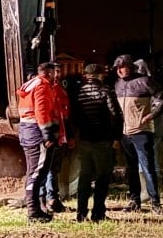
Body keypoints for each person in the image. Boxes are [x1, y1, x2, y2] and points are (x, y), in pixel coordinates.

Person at [112, 55, 163, 215]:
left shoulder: (145, 81)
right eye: (118, 68)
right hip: (125, 132)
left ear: (131, 66)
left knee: (148, 168)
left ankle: (155, 203)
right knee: (131, 169)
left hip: (142, 131)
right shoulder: (118, 84)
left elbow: (162, 96)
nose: (120, 70)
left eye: (123, 67)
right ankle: (134, 201)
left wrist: (151, 115)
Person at [69, 63, 123, 222]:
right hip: (102, 140)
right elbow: (115, 115)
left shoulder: (78, 92)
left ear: (85, 75)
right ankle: (98, 213)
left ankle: (80, 214)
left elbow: (73, 117)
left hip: (84, 140)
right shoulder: (105, 90)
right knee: (103, 177)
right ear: (101, 75)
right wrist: (116, 137)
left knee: (84, 177)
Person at [17, 61, 61, 223]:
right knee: (36, 173)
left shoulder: (30, 85)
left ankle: (35, 209)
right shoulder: (42, 87)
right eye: (54, 72)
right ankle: (33, 212)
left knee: (33, 172)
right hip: (37, 134)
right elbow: (42, 112)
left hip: (27, 132)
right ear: (48, 73)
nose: (57, 75)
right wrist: (47, 134)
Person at [43, 74, 72, 213]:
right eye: (54, 72)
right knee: (49, 169)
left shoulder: (60, 91)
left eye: (59, 71)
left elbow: (64, 116)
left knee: (53, 168)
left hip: (59, 134)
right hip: (53, 135)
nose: (57, 75)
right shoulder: (47, 90)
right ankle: (49, 199)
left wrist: (67, 135)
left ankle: (52, 198)